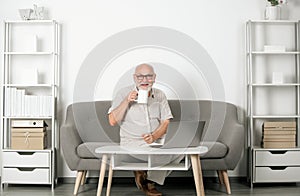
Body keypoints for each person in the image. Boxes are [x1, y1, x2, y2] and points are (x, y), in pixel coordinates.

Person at [108, 63, 181, 196]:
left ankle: (146, 177)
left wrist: (154, 136)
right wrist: (126, 101)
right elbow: (112, 121)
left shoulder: (160, 95)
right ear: (134, 78)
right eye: (140, 77)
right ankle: (149, 183)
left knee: (183, 149)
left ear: (154, 77)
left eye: (149, 76)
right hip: (132, 142)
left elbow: (166, 122)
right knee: (156, 154)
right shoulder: (123, 93)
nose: (145, 80)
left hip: (156, 141)